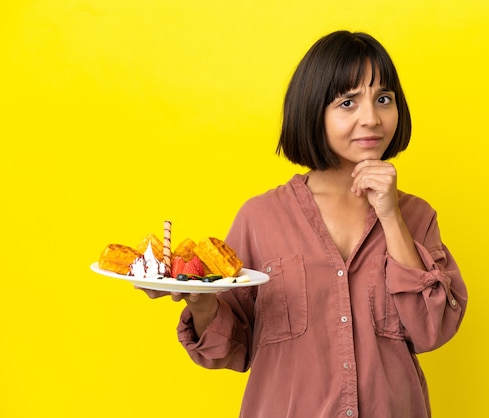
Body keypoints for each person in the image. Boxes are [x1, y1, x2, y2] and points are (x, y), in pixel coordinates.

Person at [141, 30, 467, 418]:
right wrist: (203, 305)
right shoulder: (260, 218)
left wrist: (390, 215)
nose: (372, 118)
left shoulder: (417, 217)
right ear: (314, 111)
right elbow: (231, 349)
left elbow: (434, 330)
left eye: (384, 99)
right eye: (348, 102)